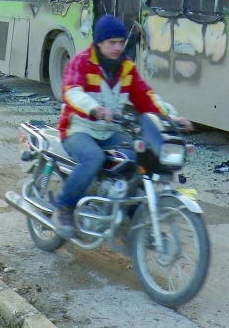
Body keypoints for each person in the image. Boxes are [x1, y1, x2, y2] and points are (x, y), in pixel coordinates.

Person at [52, 14, 192, 238]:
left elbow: (146, 97)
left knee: (138, 157)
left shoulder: (126, 68)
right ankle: (64, 208)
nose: (118, 47)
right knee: (93, 158)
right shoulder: (81, 62)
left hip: (110, 131)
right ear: (99, 43)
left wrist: (171, 118)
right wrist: (95, 109)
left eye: (120, 42)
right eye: (112, 43)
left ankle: (132, 216)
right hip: (78, 128)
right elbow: (71, 92)